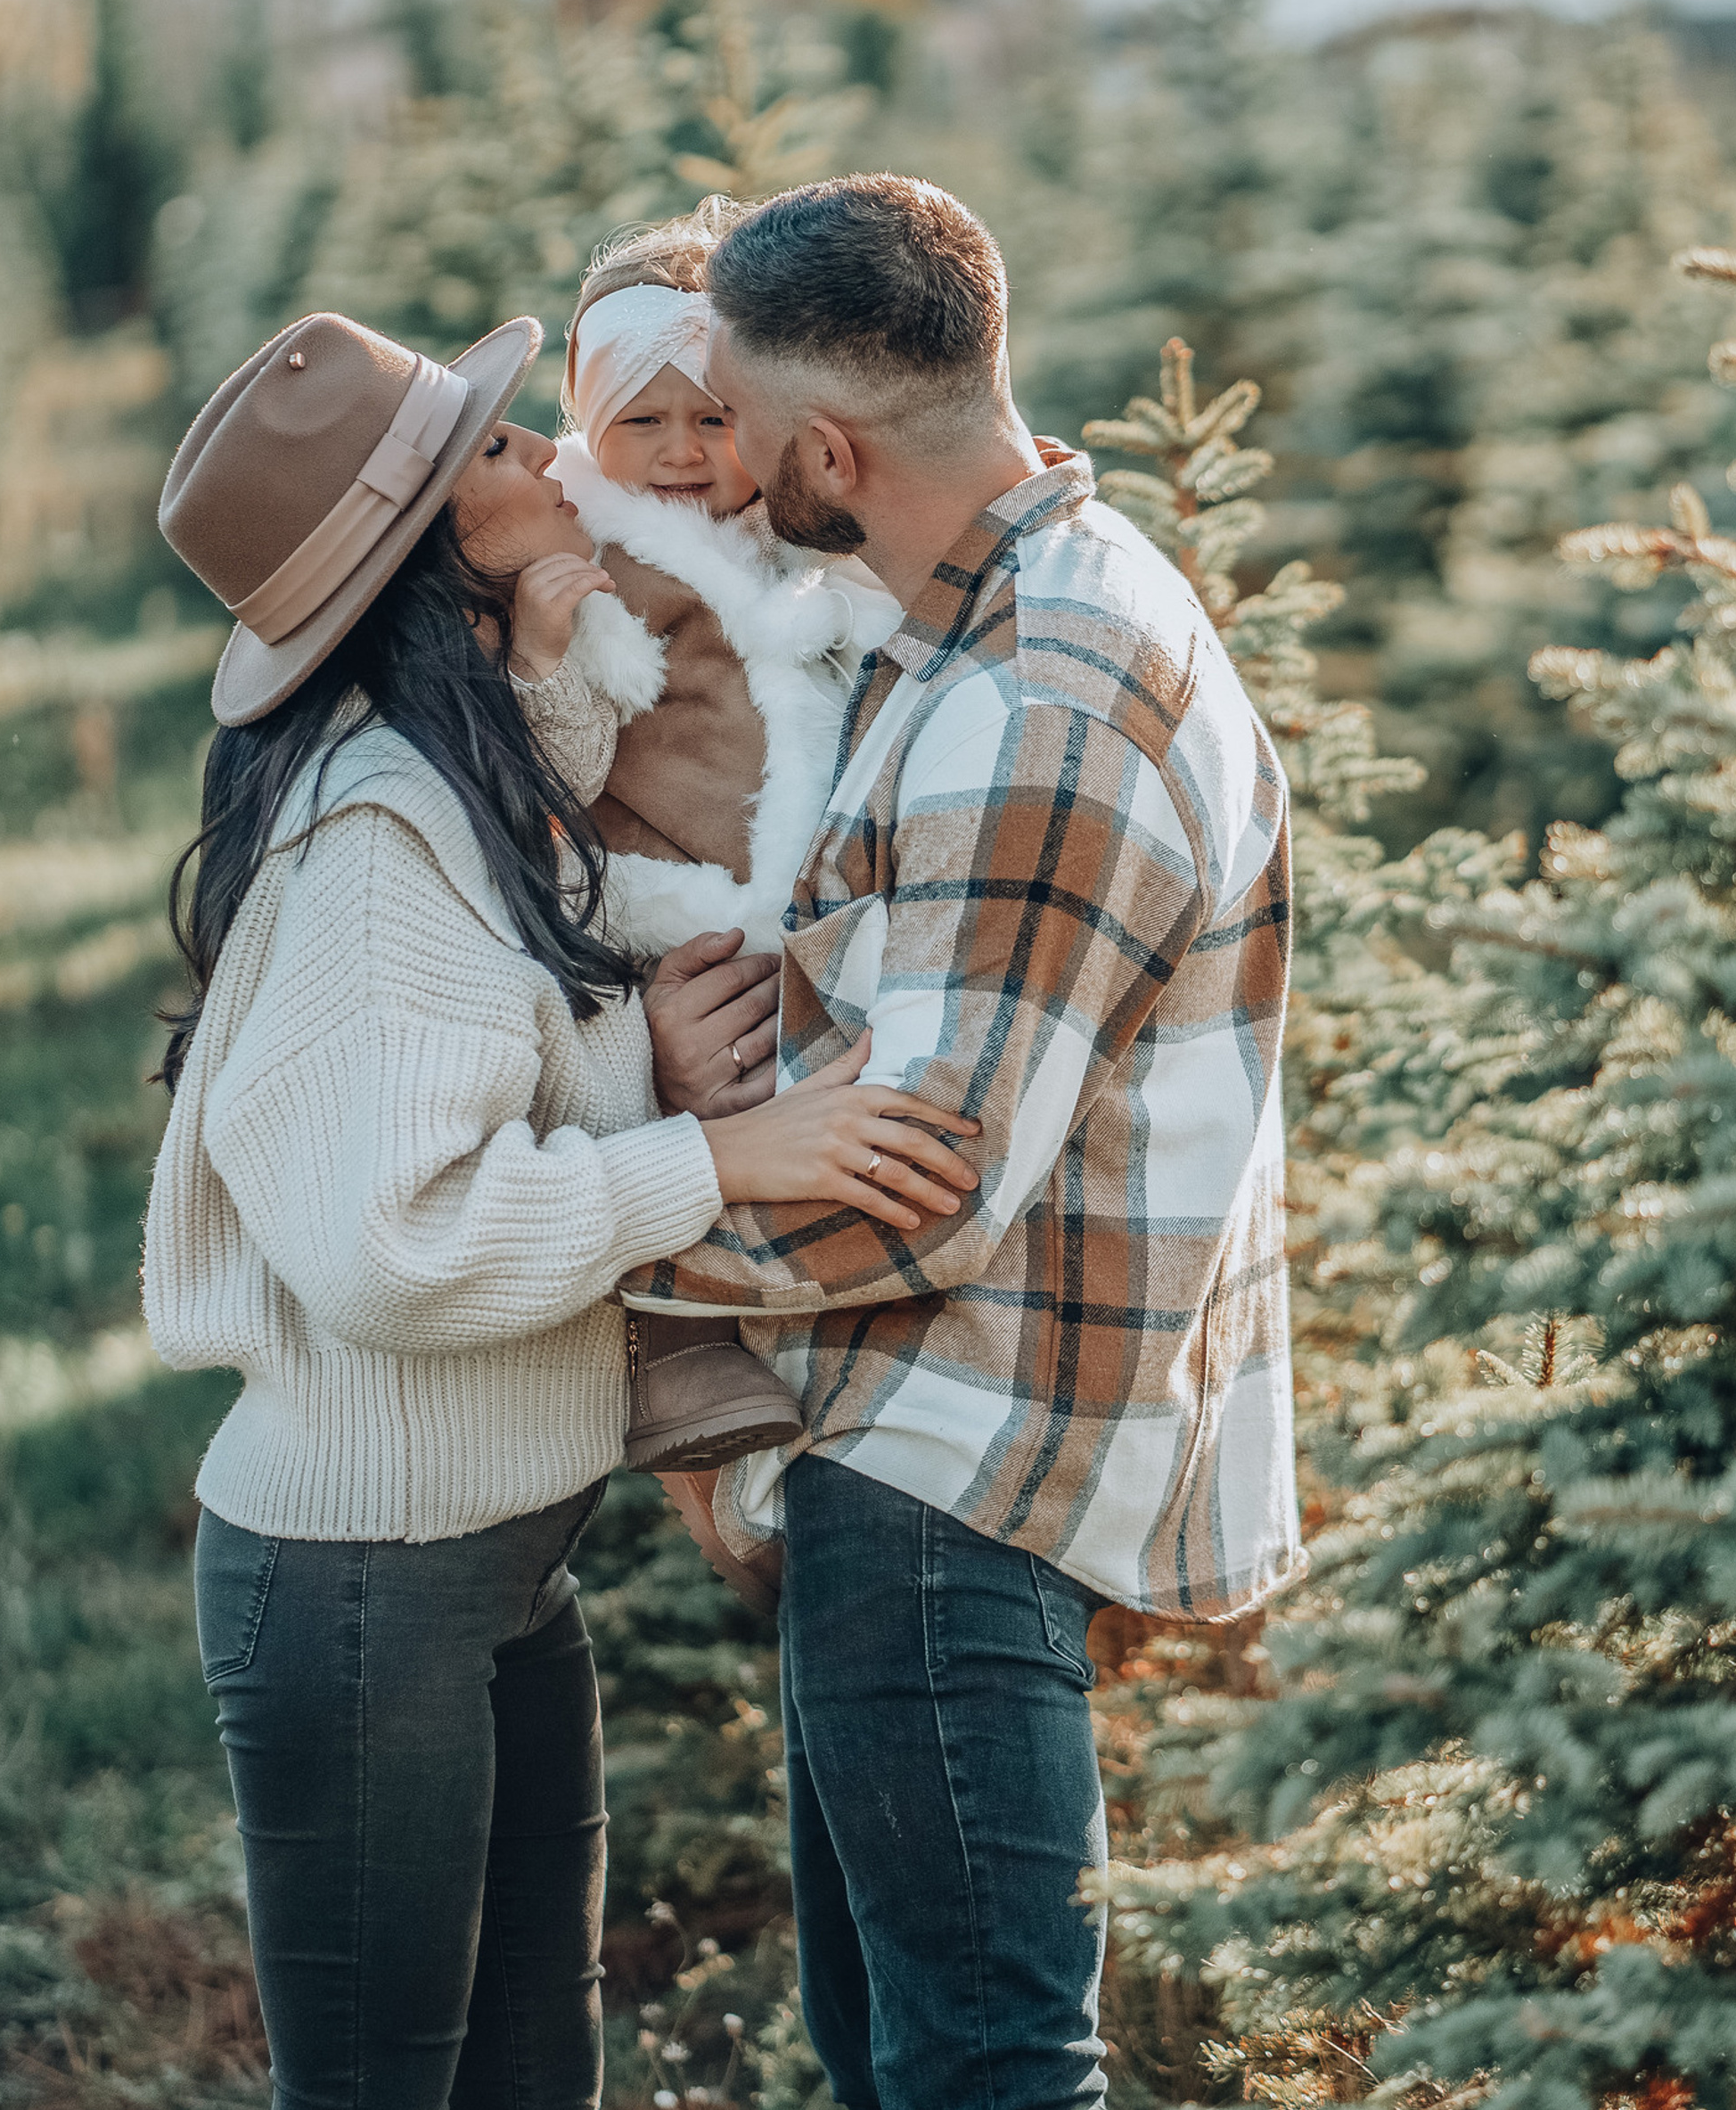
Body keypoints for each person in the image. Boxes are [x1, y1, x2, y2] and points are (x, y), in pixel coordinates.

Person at [138, 308, 979, 2108]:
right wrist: (715, 1154)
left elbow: (499, 980)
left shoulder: (446, 767)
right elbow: (394, 1241)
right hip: (372, 1583)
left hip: (497, 1561)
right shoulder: (379, 844)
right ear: (431, 543)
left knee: (534, 2071)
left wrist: (628, 1053)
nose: (552, 456)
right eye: (501, 450)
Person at [618, 176, 1304, 2110]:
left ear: (830, 452)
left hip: (950, 1478)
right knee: (896, 2052)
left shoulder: (1035, 705)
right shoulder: (994, 609)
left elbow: (916, 1195)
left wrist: (585, 1255)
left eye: (742, 427)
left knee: (981, 2066)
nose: (720, 466)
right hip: (927, 1457)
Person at [533, 202, 901, 1476]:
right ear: (587, 420)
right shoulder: (583, 548)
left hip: (792, 878)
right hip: (667, 895)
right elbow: (548, 750)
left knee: (801, 1102)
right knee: (694, 1095)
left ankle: (823, 1342)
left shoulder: (787, 524)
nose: (684, 453)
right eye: (644, 422)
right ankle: (673, 1350)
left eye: (713, 418)